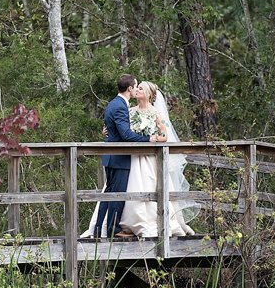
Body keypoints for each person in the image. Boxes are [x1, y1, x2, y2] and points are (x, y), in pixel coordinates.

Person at [83, 80, 197, 238]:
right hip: (131, 157)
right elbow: (121, 129)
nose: (137, 90)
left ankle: (150, 224)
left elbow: (164, 136)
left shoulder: (155, 113)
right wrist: (108, 130)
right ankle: (120, 226)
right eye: (137, 87)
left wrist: (153, 138)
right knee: (123, 189)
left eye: (141, 88)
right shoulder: (129, 110)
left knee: (149, 188)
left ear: (149, 94)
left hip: (148, 158)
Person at [92, 74, 159, 238]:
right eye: (136, 86)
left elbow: (115, 129)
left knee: (108, 195)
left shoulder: (113, 103)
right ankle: (111, 230)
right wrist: (148, 139)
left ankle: (99, 228)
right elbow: (126, 135)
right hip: (118, 157)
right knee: (116, 195)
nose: (137, 89)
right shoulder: (121, 106)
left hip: (112, 156)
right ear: (130, 89)